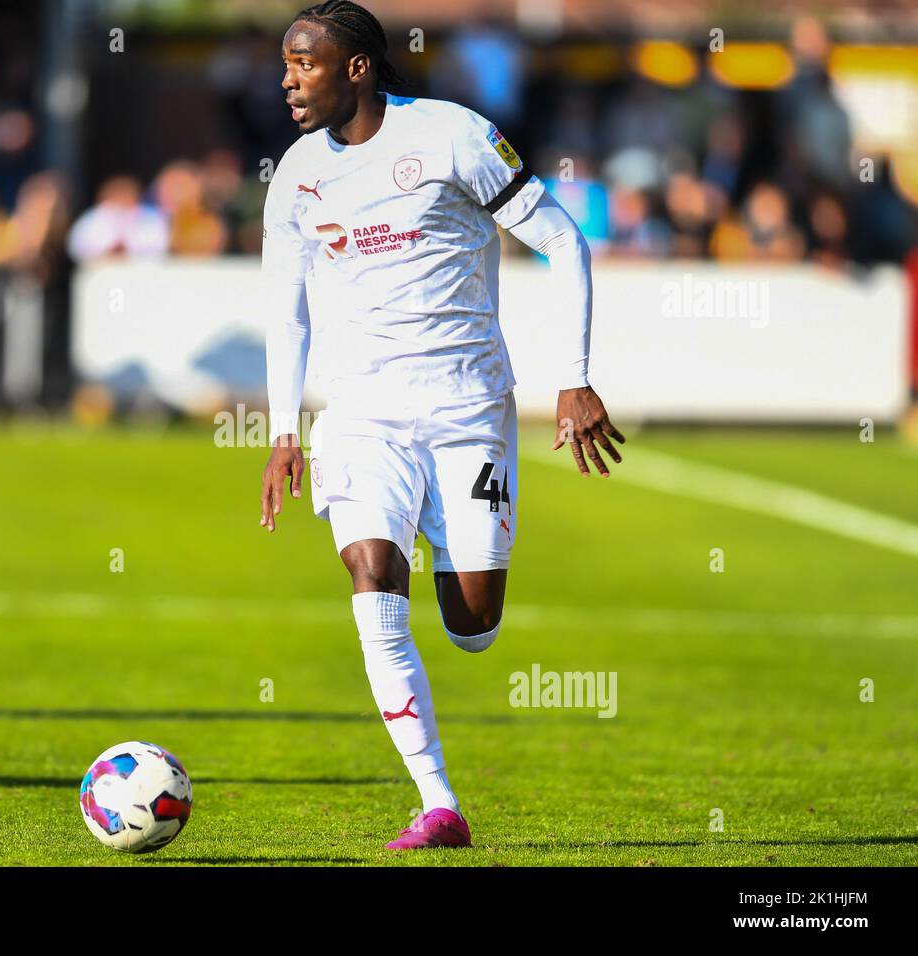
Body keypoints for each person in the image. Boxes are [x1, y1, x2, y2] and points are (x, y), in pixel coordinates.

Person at [257, 0, 625, 850]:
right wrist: (283, 430)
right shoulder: (296, 175)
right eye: (285, 64)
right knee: (372, 575)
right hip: (361, 415)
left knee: (471, 625)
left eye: (304, 63)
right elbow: (286, 311)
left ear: (356, 67)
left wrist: (571, 381)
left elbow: (564, 242)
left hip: (467, 410)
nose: (287, 79)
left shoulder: (454, 136)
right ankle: (439, 803)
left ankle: (441, 539)